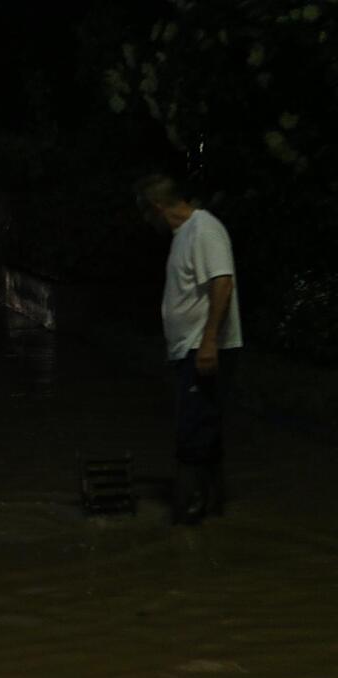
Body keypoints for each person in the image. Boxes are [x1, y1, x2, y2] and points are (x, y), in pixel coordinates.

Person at [135, 174, 243, 524]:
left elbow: (222, 282)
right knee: (203, 427)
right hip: (191, 349)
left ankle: (186, 519)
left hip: (204, 348)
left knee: (191, 432)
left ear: (156, 208)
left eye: (146, 215)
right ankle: (213, 509)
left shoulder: (204, 229)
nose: (147, 225)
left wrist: (209, 341)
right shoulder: (184, 236)